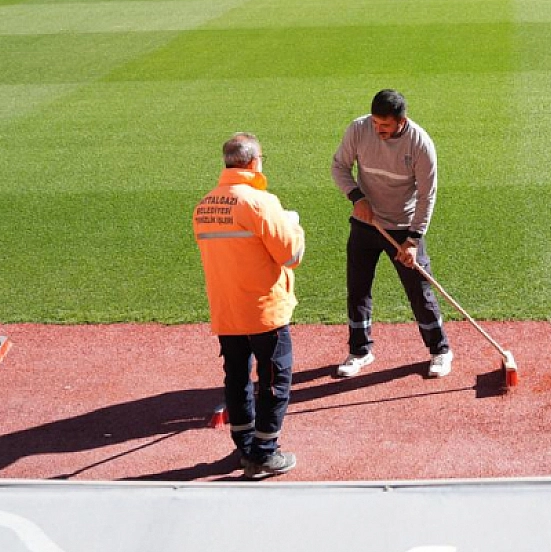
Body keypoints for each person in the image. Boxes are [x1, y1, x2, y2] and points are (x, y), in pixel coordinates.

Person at [193, 133, 304, 478]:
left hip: (227, 309)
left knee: (237, 378)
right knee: (274, 381)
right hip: (264, 309)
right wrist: (293, 225)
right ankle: (264, 454)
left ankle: (245, 447)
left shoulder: (204, 205)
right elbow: (291, 255)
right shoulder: (260, 202)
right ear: (254, 162)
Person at [330, 89, 452, 379]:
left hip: (403, 228)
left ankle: (440, 350)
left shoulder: (420, 144)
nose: (378, 129)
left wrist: (413, 240)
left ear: (401, 121)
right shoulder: (358, 129)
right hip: (366, 223)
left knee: (419, 291)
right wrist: (357, 197)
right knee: (358, 288)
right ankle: (360, 351)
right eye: (375, 122)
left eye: (384, 125)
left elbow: (427, 196)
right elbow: (339, 166)